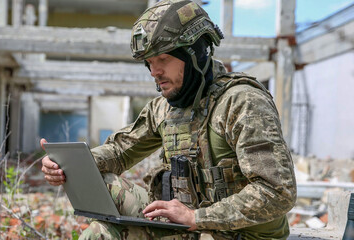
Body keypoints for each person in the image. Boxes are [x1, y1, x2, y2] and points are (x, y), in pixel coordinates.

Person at [41, 0, 297, 239]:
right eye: (150, 63)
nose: (154, 72)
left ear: (194, 54)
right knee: (101, 226)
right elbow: (119, 151)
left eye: (163, 59)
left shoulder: (242, 102)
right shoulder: (164, 108)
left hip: (239, 233)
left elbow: (278, 192)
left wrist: (197, 217)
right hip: (187, 225)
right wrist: (69, 164)